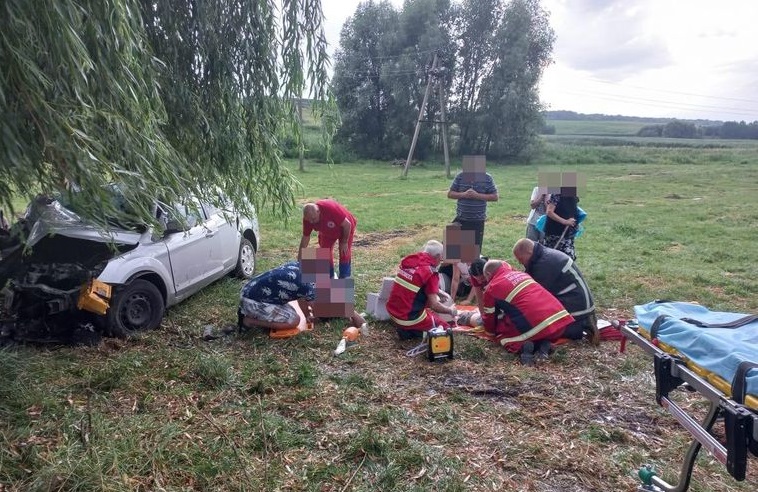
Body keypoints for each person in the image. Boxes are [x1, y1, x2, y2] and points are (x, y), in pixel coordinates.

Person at [481, 260, 575, 365]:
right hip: (559, 322)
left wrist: (490, 334)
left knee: (503, 335)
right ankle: (543, 344)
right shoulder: (522, 274)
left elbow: (489, 317)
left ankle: (523, 348)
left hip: (538, 324)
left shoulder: (492, 287)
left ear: (489, 274)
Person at [513, 238, 598, 345]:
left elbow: (535, 293)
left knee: (539, 323)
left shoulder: (544, 264)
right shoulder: (542, 255)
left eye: (521, 259)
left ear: (529, 252)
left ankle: (580, 329)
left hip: (576, 308)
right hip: (574, 299)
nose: (520, 263)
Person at [239, 261, 365, 331]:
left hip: (250, 289)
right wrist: (349, 311)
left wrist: (308, 316)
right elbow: (320, 310)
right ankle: (250, 321)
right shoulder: (309, 286)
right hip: (253, 301)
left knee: (295, 313)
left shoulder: (305, 267)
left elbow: (302, 298)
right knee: (294, 321)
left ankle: (255, 313)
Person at [385, 240, 457, 339]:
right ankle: (412, 332)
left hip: (392, 312)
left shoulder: (411, 262)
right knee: (445, 329)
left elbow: (418, 284)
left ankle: (409, 327)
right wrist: (450, 311)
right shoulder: (431, 272)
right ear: (438, 256)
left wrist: (438, 292)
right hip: (407, 318)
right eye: (441, 257)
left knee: (425, 306)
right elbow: (434, 305)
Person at [447, 156, 498, 252]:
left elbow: (495, 197)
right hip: (460, 219)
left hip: (477, 221)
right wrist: (464, 194)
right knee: (452, 252)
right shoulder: (460, 176)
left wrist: (477, 195)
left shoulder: (487, 178)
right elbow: (450, 194)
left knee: (471, 255)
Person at [299, 199, 356, 278]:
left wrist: (344, 242)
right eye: (309, 220)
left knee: (344, 252)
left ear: (318, 211)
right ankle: (329, 276)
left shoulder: (330, 209)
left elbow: (347, 225)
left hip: (345, 227)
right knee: (324, 251)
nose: (311, 222)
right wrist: (299, 259)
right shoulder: (308, 219)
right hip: (327, 230)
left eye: (314, 219)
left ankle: (344, 277)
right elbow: (305, 237)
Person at [541, 189, 580, 260]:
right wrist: (565, 221)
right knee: (555, 258)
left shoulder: (573, 193)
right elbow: (549, 212)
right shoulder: (557, 194)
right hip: (556, 233)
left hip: (568, 233)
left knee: (569, 258)